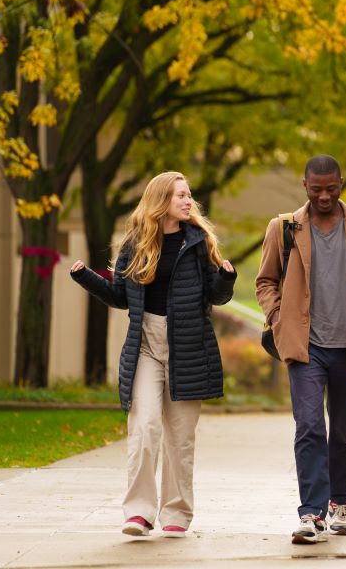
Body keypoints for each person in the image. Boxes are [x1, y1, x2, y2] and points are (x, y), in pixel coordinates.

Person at [70, 171, 236, 538]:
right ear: (161, 199)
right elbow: (119, 297)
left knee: (181, 437)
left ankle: (176, 511)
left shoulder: (200, 242)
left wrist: (226, 277)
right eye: (180, 195)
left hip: (188, 349)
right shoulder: (135, 243)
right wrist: (86, 278)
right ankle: (139, 512)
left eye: (189, 195)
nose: (188, 201)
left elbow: (217, 296)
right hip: (145, 343)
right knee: (144, 427)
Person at [255, 154, 346, 544]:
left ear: (341, 183)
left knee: (345, 430)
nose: (323, 196)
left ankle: (340, 503)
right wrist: (277, 317)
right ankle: (311, 512)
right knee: (309, 426)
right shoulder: (283, 228)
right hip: (305, 346)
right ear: (305, 185)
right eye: (316, 189)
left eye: (331, 188)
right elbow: (265, 280)